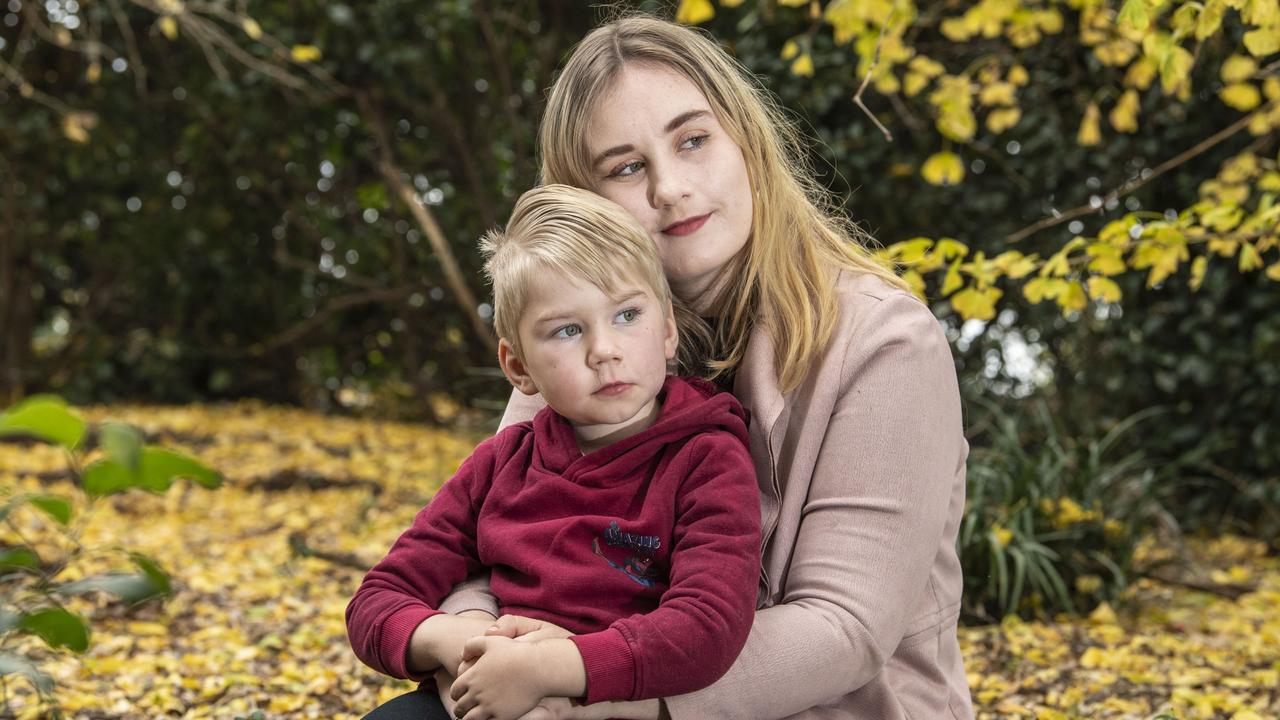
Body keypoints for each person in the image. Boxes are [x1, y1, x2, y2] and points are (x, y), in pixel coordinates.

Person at [347, 184, 762, 720]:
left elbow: (707, 627)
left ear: (667, 330)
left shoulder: (706, 458)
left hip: (612, 702)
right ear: (518, 366)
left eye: (627, 316)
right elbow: (377, 598)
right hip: (490, 694)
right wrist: (460, 645)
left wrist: (554, 671)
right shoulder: (501, 464)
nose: (604, 350)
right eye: (567, 330)